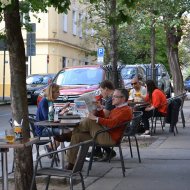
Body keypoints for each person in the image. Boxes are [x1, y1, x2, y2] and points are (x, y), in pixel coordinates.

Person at [64, 88, 132, 170]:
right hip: (105, 134)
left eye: (115, 96)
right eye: (112, 96)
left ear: (123, 98)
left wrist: (95, 118)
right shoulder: (117, 108)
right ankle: (71, 164)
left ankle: (70, 133)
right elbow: (106, 119)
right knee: (76, 136)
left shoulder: (126, 110)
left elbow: (112, 123)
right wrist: (99, 108)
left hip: (110, 138)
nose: (112, 98)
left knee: (90, 120)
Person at [35, 83, 70, 153]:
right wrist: (60, 113)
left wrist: (63, 108)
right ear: (52, 93)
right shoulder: (44, 102)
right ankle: (52, 148)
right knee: (65, 132)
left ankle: (50, 148)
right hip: (43, 129)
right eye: (57, 92)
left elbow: (52, 114)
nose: (59, 94)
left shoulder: (49, 101)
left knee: (65, 132)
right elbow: (48, 117)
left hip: (48, 126)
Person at [87, 80, 116, 161]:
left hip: (112, 127)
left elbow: (105, 115)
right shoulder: (112, 98)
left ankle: (102, 151)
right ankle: (97, 151)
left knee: (91, 125)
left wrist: (98, 108)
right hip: (114, 124)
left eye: (101, 90)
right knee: (94, 124)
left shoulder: (111, 99)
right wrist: (100, 107)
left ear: (106, 89)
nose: (100, 92)